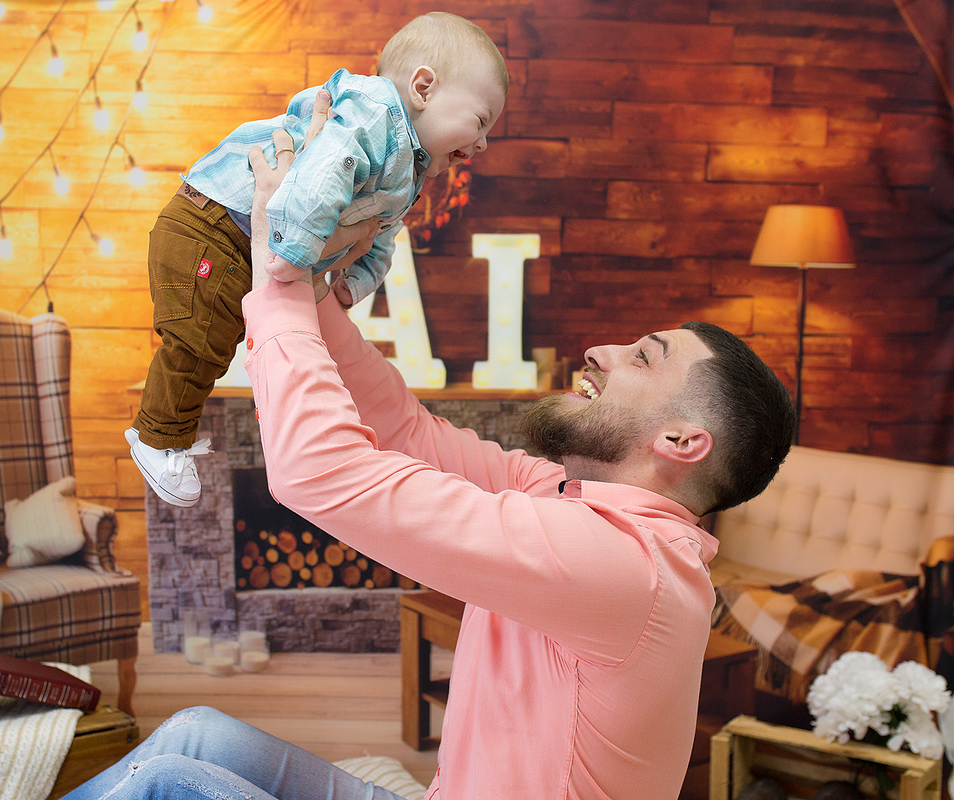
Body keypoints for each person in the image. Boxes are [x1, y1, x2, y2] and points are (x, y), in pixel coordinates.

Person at [74, 109, 796, 800]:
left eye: (642, 357)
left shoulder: (628, 569)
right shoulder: (559, 497)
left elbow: (322, 474)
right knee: (199, 740)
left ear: (681, 443)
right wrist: (318, 276)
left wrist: (282, 276)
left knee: (167, 788)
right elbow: (406, 432)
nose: (601, 351)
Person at [127, 11, 509, 508]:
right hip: (212, 224)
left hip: (241, 239)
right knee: (198, 343)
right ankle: (158, 437)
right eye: (480, 122)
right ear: (423, 87)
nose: (481, 144)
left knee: (215, 346)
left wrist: (356, 281)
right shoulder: (373, 114)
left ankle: (167, 433)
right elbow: (321, 176)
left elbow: (381, 231)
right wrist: (295, 254)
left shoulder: (406, 169)